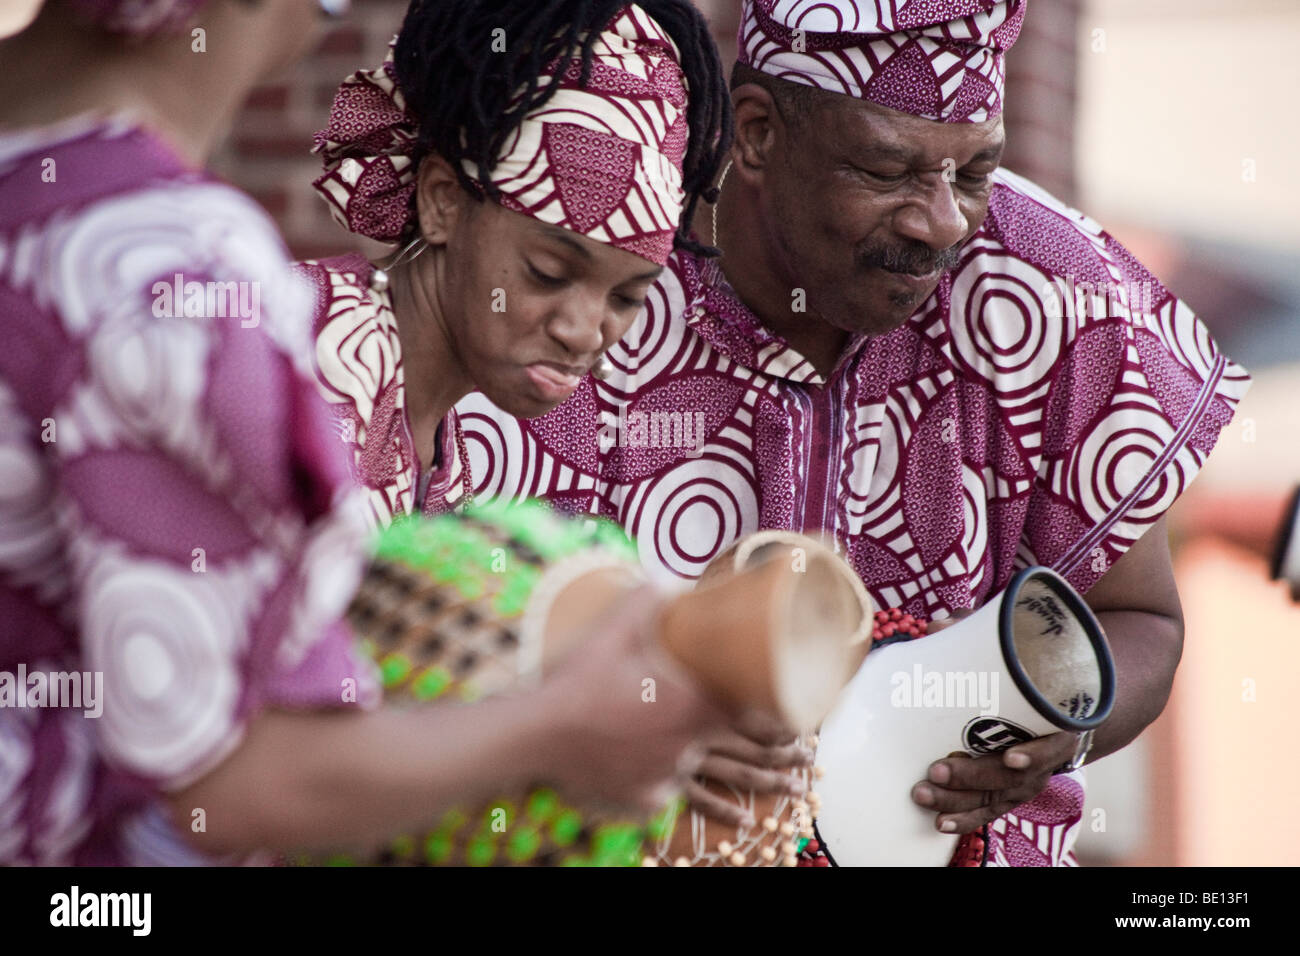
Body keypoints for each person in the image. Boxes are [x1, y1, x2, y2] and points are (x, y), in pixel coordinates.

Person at [453, 0, 1253, 866]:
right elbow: (459, 613)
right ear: (757, 132)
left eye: (976, 170)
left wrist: (1059, 737)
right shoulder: (601, 278)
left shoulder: (1052, 289)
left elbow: (1137, 620)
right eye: (886, 169)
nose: (941, 221)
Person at [0, 0, 723, 865]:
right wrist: (564, 727)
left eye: (625, 297)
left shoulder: (450, 439)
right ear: (444, 201)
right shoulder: (305, 356)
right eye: (548, 270)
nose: (581, 327)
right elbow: (230, 776)